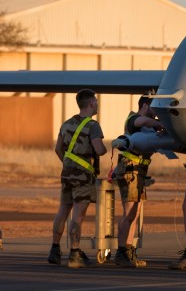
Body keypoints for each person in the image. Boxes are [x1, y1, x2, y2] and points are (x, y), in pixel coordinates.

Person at [48, 89, 107, 268]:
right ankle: (75, 253)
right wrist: (109, 148)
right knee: (78, 215)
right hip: (83, 176)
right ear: (90, 103)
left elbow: (58, 149)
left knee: (63, 210)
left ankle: (55, 249)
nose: (97, 103)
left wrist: (69, 163)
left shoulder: (66, 124)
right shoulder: (93, 126)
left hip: (66, 173)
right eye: (95, 101)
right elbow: (99, 150)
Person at [112, 95, 165, 268]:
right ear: (145, 105)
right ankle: (121, 252)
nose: (156, 112)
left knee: (134, 213)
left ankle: (128, 250)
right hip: (130, 169)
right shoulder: (133, 118)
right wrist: (159, 124)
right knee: (129, 213)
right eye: (154, 107)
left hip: (139, 170)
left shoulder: (148, 123)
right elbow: (142, 122)